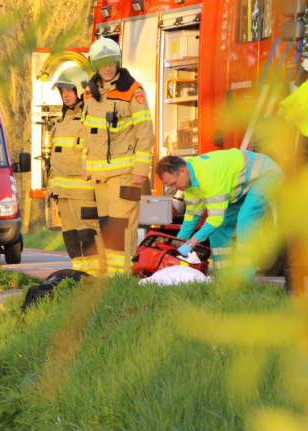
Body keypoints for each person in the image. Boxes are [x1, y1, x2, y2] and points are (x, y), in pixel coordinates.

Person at [81, 37, 154, 275]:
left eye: (112, 62)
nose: (108, 68)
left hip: (126, 175)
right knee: (107, 228)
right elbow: (87, 132)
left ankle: (120, 279)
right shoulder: (90, 93)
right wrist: (85, 163)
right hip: (100, 176)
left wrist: (140, 170)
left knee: (121, 229)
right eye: (103, 64)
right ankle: (111, 279)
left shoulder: (133, 91)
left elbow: (145, 132)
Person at [156, 149, 284, 280]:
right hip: (241, 186)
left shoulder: (209, 174)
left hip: (264, 174)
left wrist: (190, 244)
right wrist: (175, 246)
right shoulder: (188, 184)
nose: (173, 188)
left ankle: (244, 281)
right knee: (218, 229)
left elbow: (215, 219)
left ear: (183, 171)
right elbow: (193, 217)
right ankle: (224, 280)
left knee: (246, 220)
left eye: (173, 183)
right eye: (169, 186)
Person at [49, 66, 102, 276]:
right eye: (62, 91)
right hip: (63, 194)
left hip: (83, 193)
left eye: (69, 90)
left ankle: (95, 278)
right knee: (71, 238)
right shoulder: (62, 122)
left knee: (89, 235)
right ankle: (79, 277)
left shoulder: (89, 118)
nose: (65, 95)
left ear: (81, 90)